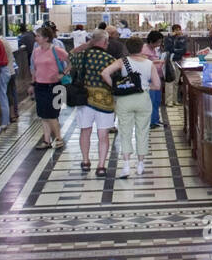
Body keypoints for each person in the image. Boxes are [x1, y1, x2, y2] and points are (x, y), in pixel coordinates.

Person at [101, 37, 161, 178]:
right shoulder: (149, 63)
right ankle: (140, 164)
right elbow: (157, 85)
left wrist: (116, 87)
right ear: (141, 48)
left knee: (125, 132)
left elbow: (104, 73)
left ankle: (126, 166)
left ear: (127, 49)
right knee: (142, 131)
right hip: (143, 99)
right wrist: (145, 87)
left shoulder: (122, 62)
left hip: (125, 100)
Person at [69, 30, 116, 177]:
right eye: (107, 41)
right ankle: (101, 166)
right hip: (105, 101)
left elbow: (69, 55)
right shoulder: (109, 59)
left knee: (85, 131)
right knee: (103, 134)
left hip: (85, 99)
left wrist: (86, 45)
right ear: (103, 42)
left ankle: (85, 161)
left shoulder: (81, 56)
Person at [28, 26, 68, 150]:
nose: (36, 38)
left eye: (38, 36)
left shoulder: (56, 50)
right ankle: (46, 140)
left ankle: (58, 138)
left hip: (54, 86)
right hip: (40, 85)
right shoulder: (36, 51)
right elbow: (34, 68)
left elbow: (71, 60)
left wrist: (64, 73)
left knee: (52, 114)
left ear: (46, 38)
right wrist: (32, 84)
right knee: (43, 115)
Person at [140, 30, 165, 128]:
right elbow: (143, 62)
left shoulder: (153, 49)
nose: (159, 44)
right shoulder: (145, 49)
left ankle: (155, 119)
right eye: (158, 42)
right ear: (151, 41)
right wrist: (158, 62)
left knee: (157, 100)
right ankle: (151, 121)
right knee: (151, 100)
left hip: (156, 76)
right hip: (149, 78)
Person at [163, 24, 188, 106]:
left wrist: (174, 50)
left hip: (179, 61)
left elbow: (183, 50)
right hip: (170, 61)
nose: (178, 31)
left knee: (176, 81)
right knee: (170, 80)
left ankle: (175, 100)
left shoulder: (183, 39)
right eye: (176, 30)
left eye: (179, 29)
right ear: (173, 31)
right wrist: (172, 38)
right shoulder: (168, 38)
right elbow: (168, 49)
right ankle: (168, 101)